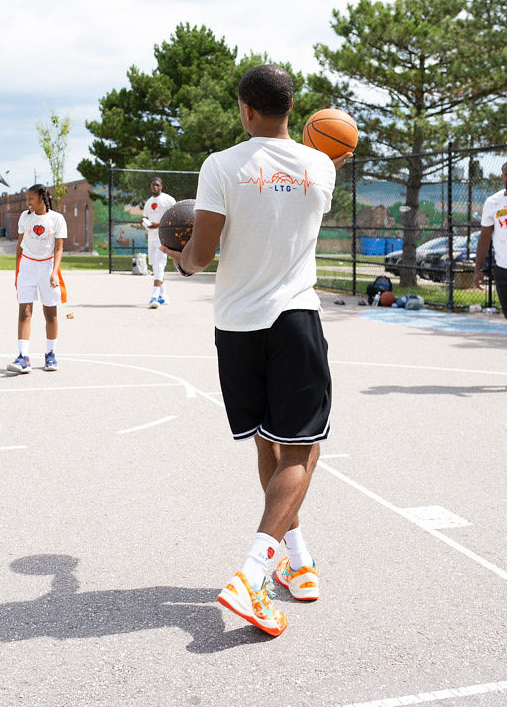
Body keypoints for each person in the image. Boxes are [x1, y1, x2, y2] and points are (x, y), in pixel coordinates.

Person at [162, 64, 351, 637]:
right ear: (291, 109)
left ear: (245, 109)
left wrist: (179, 255)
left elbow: (200, 256)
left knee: (271, 442)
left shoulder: (220, 166)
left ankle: (296, 558)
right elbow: (298, 206)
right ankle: (251, 576)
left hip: (238, 324)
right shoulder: (322, 166)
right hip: (294, 317)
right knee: (301, 450)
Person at [7, 184, 67, 375]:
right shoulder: (25, 217)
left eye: (31, 199)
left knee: (50, 313)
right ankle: (23, 357)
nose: (28, 203)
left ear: (42, 198)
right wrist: (17, 272)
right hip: (27, 266)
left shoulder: (57, 219)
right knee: (24, 311)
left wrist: (54, 272)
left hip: (47, 266)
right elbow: (19, 245)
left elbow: (58, 248)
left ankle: (50, 353)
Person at [474, 160, 507, 380]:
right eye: (506, 174)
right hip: (504, 269)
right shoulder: (493, 202)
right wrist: (478, 269)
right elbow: (485, 237)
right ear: (502, 176)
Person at [141, 177, 175, 308]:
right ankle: (164, 296)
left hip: (163, 238)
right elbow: (144, 217)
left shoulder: (169, 200)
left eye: (157, 185)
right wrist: (145, 223)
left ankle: (154, 297)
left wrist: (159, 225)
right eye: (152, 185)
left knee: (159, 266)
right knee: (155, 267)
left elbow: (175, 216)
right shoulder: (149, 202)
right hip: (151, 239)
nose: (154, 187)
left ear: (161, 186)